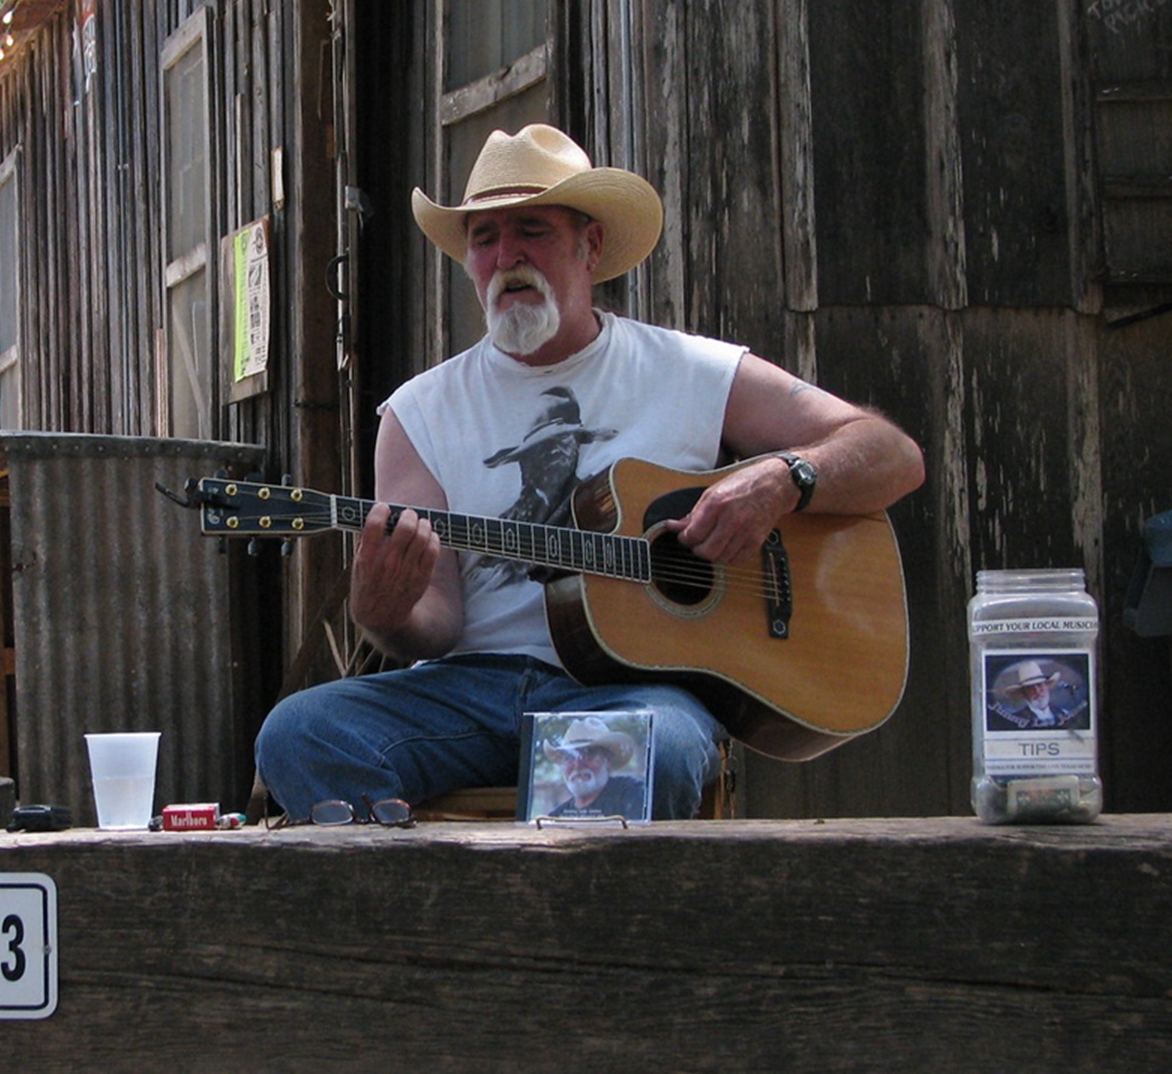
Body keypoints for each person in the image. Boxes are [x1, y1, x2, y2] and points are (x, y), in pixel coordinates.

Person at [254, 124, 926, 821]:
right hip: (467, 694)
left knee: (639, 751)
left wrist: (785, 479)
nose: (506, 255)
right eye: (484, 238)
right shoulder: (418, 413)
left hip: (634, 691)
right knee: (301, 734)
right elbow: (435, 626)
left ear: (591, 245)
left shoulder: (691, 371)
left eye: (532, 230)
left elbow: (890, 454)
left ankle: (558, 924)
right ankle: (432, 915)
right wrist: (383, 612)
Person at [542, 716, 649, 820]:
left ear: (608, 759)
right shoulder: (556, 817)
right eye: (569, 757)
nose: (578, 765)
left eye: (588, 754)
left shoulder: (633, 793)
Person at [991, 660, 1086, 730]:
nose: (1037, 691)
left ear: (1046, 686)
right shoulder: (1016, 719)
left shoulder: (1063, 712)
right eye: (1030, 687)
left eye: (1040, 685)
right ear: (1024, 693)